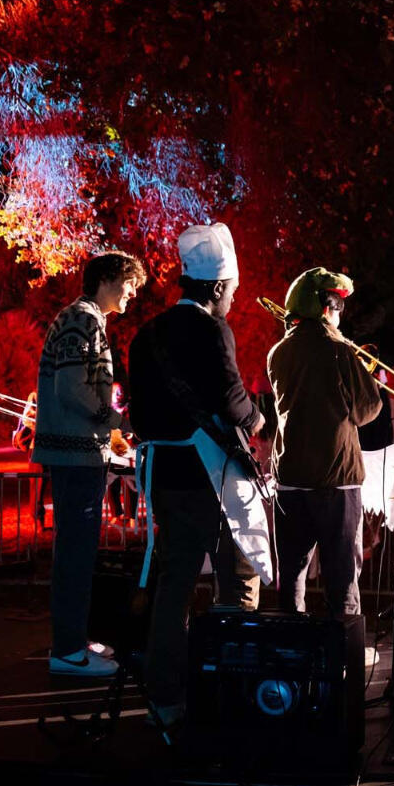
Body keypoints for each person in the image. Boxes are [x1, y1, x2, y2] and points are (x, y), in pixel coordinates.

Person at [129, 224, 269, 726]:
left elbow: (139, 415)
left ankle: (165, 697)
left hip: (165, 476)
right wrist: (258, 418)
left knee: (174, 586)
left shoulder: (146, 334)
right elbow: (232, 402)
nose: (233, 298)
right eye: (231, 289)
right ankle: (232, 694)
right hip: (213, 477)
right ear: (216, 287)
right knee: (238, 581)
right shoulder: (212, 330)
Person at [32, 250, 146, 676]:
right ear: (109, 279)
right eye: (130, 283)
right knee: (76, 553)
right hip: (75, 454)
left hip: (76, 451)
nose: (133, 293)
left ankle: (73, 641)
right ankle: (68, 651)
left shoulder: (80, 318)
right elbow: (71, 388)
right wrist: (115, 421)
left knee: (75, 551)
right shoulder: (82, 320)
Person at [267, 267, 384, 619]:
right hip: (336, 479)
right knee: (341, 577)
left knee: (291, 575)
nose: (340, 314)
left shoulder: (278, 352)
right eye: (338, 306)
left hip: (289, 478)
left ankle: (292, 644)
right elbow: (367, 409)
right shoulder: (340, 351)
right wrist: (363, 375)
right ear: (325, 307)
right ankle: (341, 647)